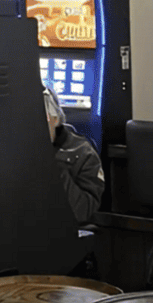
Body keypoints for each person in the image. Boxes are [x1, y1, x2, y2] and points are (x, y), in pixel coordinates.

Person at [42, 86, 104, 224]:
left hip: (62, 230)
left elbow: (83, 211)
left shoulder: (83, 154)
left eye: (42, 119)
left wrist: (53, 166)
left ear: (56, 118)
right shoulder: (18, 152)